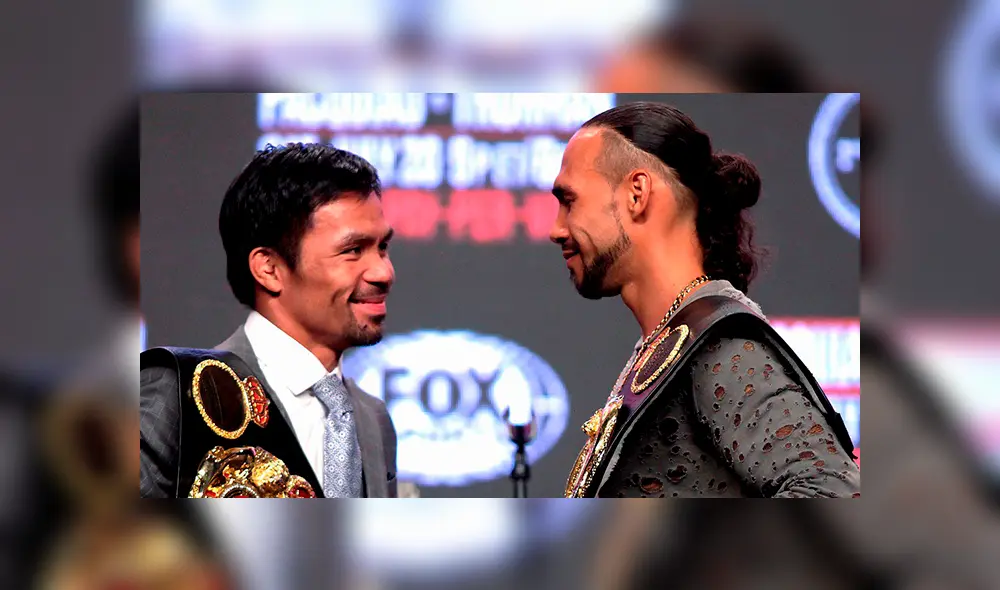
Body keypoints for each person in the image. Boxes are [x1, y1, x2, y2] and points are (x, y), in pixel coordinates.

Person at [551, 102, 860, 498]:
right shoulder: (666, 344)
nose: (555, 229)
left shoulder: (719, 349)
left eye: (569, 201)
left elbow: (833, 488)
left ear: (637, 194)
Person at [140, 143, 398, 498]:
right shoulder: (177, 395)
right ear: (269, 269)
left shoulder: (373, 418)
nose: (384, 272)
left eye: (382, 247)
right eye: (353, 250)